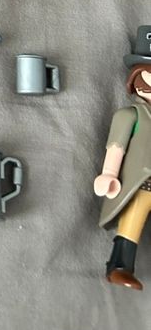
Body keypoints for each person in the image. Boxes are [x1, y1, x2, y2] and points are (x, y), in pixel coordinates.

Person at [94, 26, 151, 290]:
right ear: (138, 78)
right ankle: (119, 267)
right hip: (141, 184)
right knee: (131, 223)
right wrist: (108, 174)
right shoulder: (130, 115)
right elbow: (116, 147)